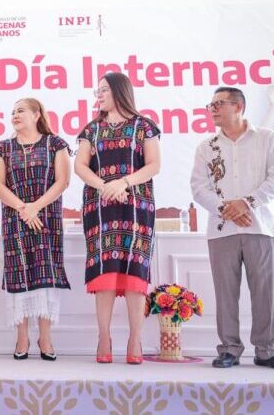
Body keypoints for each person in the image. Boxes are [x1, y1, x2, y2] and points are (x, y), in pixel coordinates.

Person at [191, 88, 274, 370]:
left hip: (259, 226)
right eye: (210, 104)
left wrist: (247, 203)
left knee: (264, 291)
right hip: (222, 229)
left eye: (218, 104)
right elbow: (199, 188)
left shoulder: (267, 139)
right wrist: (227, 209)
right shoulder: (206, 146)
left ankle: (266, 350)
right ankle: (229, 349)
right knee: (225, 292)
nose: (212, 109)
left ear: (238, 106)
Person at [74, 72, 161, 365]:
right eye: (96, 91)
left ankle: (136, 338)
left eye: (104, 90)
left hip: (136, 206)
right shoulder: (91, 130)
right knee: (105, 273)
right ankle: (104, 336)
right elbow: (80, 167)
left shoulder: (144, 126)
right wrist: (106, 187)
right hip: (99, 207)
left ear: (120, 91)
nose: (98, 95)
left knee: (135, 273)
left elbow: (153, 166)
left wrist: (122, 183)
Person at [0, 98, 71, 361]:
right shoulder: (4, 147)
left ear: (37, 114)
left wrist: (36, 207)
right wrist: (24, 209)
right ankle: (22, 337)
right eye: (12, 111)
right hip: (15, 219)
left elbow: (63, 181)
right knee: (19, 273)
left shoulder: (55, 144)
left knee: (46, 273)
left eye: (21, 110)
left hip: (46, 218)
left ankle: (45, 337)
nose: (15, 115)